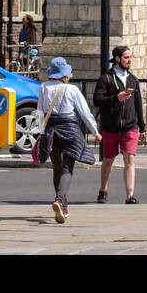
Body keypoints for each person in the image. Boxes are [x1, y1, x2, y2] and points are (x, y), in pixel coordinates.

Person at [37, 56, 99, 223]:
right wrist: (95, 132)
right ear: (66, 74)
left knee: (56, 167)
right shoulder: (72, 89)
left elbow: (40, 112)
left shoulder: (43, 87)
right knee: (67, 168)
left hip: (51, 129)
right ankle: (60, 200)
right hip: (69, 127)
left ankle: (62, 204)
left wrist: (39, 132)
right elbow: (85, 113)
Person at [93, 45, 146, 204]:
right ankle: (103, 190)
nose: (129, 60)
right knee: (108, 159)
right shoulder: (106, 78)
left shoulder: (133, 79)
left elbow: (138, 104)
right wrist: (116, 98)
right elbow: (97, 100)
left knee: (129, 158)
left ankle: (130, 195)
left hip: (130, 126)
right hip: (110, 126)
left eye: (130, 57)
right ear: (117, 59)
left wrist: (142, 127)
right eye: (126, 57)